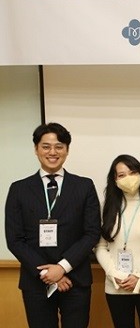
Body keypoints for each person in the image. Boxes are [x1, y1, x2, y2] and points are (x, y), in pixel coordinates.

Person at [5, 122, 101, 328]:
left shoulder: (84, 186)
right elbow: (15, 240)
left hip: (76, 279)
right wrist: (47, 274)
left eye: (59, 146)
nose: (52, 152)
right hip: (35, 281)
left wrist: (62, 267)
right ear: (36, 149)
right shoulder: (19, 189)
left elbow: (92, 233)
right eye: (46, 146)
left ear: (67, 150)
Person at [95, 154, 140, 328]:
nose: (128, 178)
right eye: (122, 175)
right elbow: (101, 247)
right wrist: (114, 273)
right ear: (115, 180)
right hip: (116, 285)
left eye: (132, 172)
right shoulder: (107, 207)